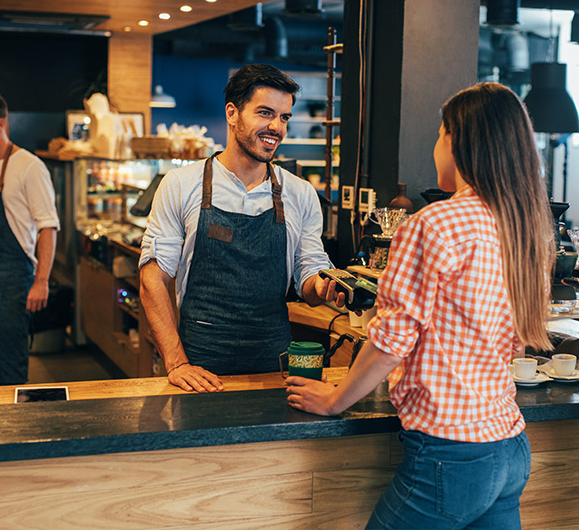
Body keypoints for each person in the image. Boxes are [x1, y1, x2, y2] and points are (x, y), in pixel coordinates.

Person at [286, 82, 555, 530]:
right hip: (509, 446)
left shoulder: (434, 223)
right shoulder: (528, 227)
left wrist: (335, 401)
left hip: (450, 454)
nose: (435, 145)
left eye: (438, 133)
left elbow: (392, 340)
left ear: (458, 142)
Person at [139, 64, 345, 393]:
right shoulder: (181, 185)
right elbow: (153, 278)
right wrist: (176, 362)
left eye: (284, 117)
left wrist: (324, 287)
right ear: (232, 114)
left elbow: (308, 268)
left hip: (272, 360)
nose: (276, 127)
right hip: (199, 361)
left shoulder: (300, 193)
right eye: (265, 113)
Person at [0, 94, 59, 385]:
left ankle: (12, 428)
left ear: (0, 123)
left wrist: (41, 281)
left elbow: (48, 227)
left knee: (9, 361)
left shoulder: (29, 166)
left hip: (13, 279)